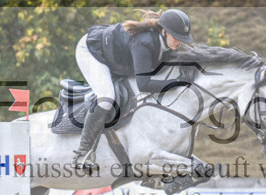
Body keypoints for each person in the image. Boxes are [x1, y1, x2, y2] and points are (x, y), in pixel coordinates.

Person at [73, 9, 194, 169]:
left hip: (115, 55)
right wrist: (176, 83)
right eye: (176, 36)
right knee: (107, 98)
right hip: (92, 51)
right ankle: (82, 154)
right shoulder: (144, 43)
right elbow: (143, 85)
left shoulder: (166, 45)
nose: (179, 41)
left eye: (182, 38)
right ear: (164, 32)